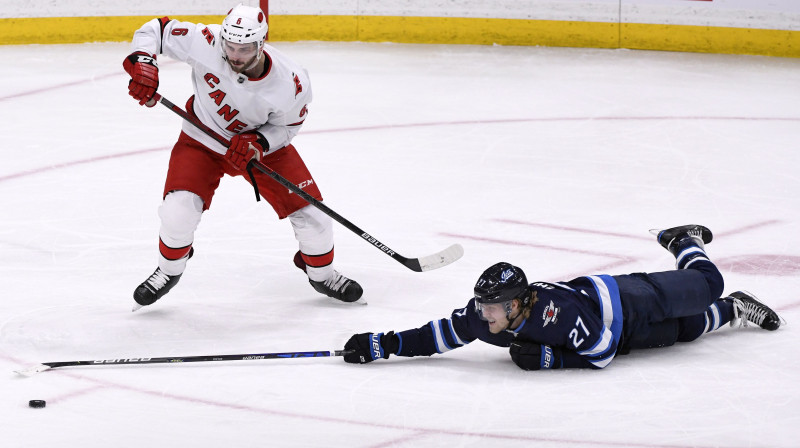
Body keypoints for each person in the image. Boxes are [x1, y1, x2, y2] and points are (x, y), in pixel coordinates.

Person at [123, 4, 363, 309]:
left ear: (261, 43)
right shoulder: (206, 40)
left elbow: (288, 127)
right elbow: (155, 30)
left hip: (260, 153)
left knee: (315, 219)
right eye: (230, 46)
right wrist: (144, 63)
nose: (235, 56)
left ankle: (322, 274)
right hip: (201, 139)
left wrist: (260, 141)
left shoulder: (291, 82)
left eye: (245, 49)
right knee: (177, 212)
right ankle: (168, 271)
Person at [342, 224, 782, 369]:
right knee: (686, 330)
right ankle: (734, 310)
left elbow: (602, 352)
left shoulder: (558, 316)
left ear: (516, 304)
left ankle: (685, 241)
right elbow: (439, 334)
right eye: (482, 304)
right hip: (616, 332)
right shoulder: (486, 316)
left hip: (631, 300)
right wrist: (381, 344)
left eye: (492, 306)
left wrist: (552, 360)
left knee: (707, 286)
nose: (483, 313)